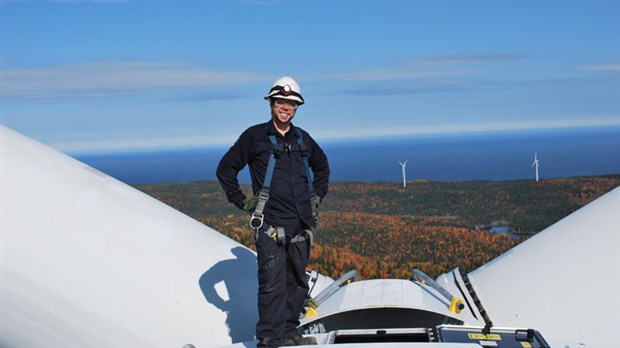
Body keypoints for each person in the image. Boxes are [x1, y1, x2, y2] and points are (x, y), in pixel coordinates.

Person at [216, 76, 330, 347]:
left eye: (291, 104)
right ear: (271, 104)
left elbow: (322, 166)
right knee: (271, 285)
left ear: (296, 108)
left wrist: (318, 196)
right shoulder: (254, 137)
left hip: (301, 226)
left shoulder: (303, 139)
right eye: (281, 102)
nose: (286, 107)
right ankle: (269, 339)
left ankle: (290, 332)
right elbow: (225, 169)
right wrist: (241, 201)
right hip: (270, 225)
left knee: (298, 282)